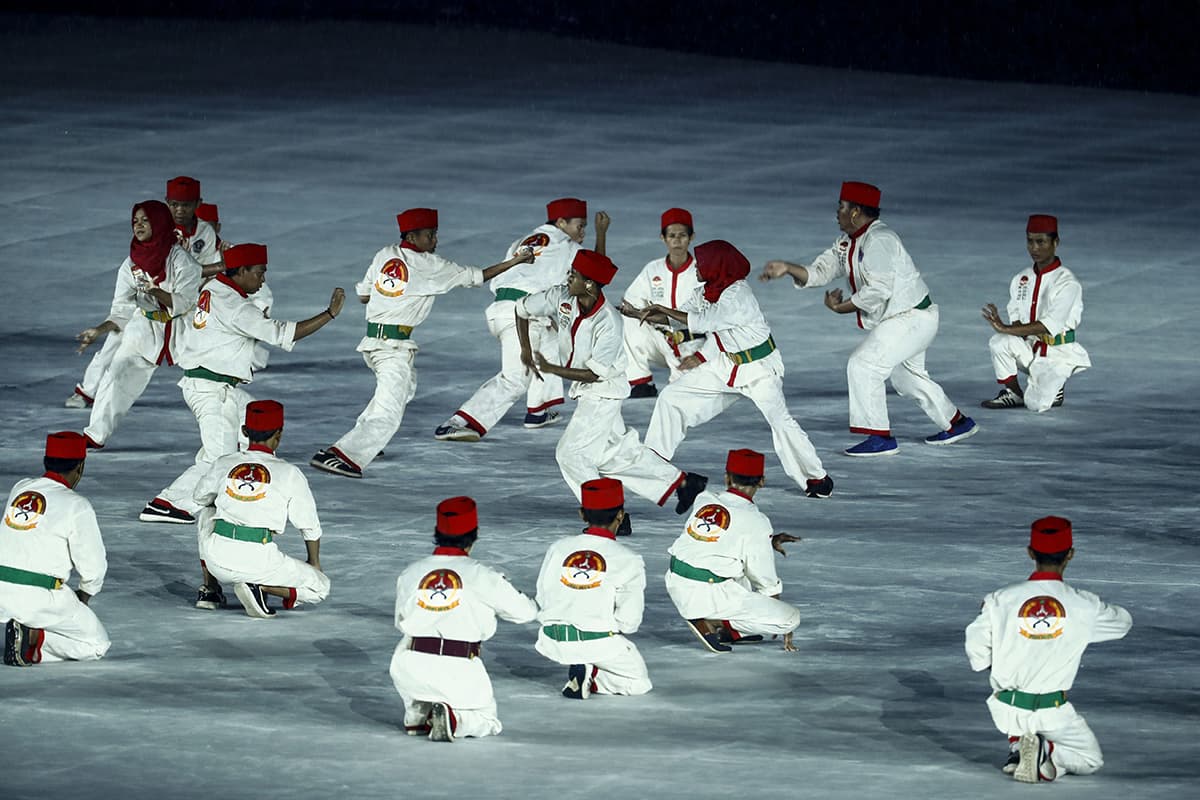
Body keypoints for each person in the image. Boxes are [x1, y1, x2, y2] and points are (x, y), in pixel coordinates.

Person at [309, 208, 534, 478]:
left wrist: (394, 300)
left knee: (402, 391)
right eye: (430, 235)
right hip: (393, 346)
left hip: (373, 341)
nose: (436, 240)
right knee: (389, 412)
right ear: (413, 236)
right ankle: (344, 455)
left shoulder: (385, 254)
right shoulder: (431, 265)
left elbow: (364, 295)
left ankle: (367, 441)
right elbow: (478, 277)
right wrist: (516, 262)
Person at [760, 181, 977, 456]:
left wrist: (842, 308)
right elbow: (822, 270)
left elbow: (879, 290)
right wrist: (788, 268)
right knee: (905, 378)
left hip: (911, 317)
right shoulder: (847, 241)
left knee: (863, 365)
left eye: (841, 206)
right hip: (906, 318)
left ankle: (879, 437)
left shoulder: (880, 240)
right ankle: (957, 422)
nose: (836, 212)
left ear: (855, 211)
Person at [140, 243, 344, 524]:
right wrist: (329, 314)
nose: (263, 279)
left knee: (253, 426)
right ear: (242, 271)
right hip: (211, 390)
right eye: (259, 272)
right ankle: (167, 503)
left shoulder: (213, 288)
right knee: (217, 458)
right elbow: (283, 333)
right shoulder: (234, 305)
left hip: (214, 385)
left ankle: (236, 486)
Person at [518, 249, 708, 527]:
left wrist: (551, 368)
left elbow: (594, 374)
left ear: (590, 284)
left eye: (574, 275)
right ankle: (682, 483)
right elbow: (521, 308)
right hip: (589, 389)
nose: (568, 277)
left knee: (570, 455)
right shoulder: (562, 296)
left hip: (602, 392)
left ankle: (607, 516)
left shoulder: (609, 322)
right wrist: (525, 349)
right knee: (615, 455)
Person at [637, 239, 834, 499]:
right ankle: (653, 465)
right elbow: (678, 316)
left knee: (781, 423)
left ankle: (817, 479)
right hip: (725, 365)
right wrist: (635, 313)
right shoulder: (707, 290)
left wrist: (663, 310)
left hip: (759, 370)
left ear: (717, 266)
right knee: (672, 398)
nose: (697, 266)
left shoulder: (738, 295)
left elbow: (704, 322)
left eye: (703, 262)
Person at [965, 516, 1132, 783]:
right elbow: (1122, 623)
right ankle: (1047, 752)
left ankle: (1019, 746)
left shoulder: (999, 600)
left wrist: (999, 658)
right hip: (1053, 712)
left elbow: (976, 647)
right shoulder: (1083, 605)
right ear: (1071, 554)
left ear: (1031, 553)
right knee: (1090, 760)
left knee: (1012, 685)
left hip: (1008, 709)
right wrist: (1081, 624)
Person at [434, 198, 609, 441]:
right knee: (515, 378)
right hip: (521, 313)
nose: (583, 232)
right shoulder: (566, 245)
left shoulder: (523, 242)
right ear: (561, 223)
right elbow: (597, 272)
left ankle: (539, 410)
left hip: (502, 309)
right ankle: (458, 422)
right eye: (580, 226)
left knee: (553, 341)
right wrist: (601, 234)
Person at [65, 178, 223, 409]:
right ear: (167, 203)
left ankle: (219, 399)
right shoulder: (156, 224)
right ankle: (86, 391)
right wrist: (220, 267)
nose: (179, 211)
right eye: (174, 204)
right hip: (148, 306)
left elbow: (198, 271)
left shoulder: (205, 233)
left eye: (186, 205)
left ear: (197, 203)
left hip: (181, 306)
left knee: (207, 351)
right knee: (114, 343)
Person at [389, 496, 538, 742]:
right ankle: (453, 719)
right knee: (487, 720)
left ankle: (417, 712)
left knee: (412, 651)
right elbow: (526, 613)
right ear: (474, 536)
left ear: (437, 533)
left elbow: (400, 620)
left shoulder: (411, 572)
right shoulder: (483, 575)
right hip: (458, 667)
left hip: (409, 666)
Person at [76, 200, 204, 448]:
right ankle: (94, 435)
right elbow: (121, 309)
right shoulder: (131, 263)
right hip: (144, 328)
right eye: (135, 221)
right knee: (117, 373)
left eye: (145, 220)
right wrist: (99, 330)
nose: (139, 225)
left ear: (159, 223)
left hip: (186, 329)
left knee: (208, 384)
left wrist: (155, 292)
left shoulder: (183, 262)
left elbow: (185, 303)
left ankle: (249, 430)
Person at [193, 400, 331, 616]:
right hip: (260, 561)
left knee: (209, 509)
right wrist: (314, 563)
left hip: (217, 561)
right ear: (279, 434)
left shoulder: (224, 462)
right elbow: (309, 526)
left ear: (245, 431)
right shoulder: (290, 473)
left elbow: (199, 497)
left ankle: (210, 589)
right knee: (320, 587)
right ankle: (259, 587)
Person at [663, 448, 801, 654]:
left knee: (736, 565)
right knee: (790, 618)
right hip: (706, 592)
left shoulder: (705, 498)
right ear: (762, 481)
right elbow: (765, 579)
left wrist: (767, 542)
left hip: (676, 579)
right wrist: (775, 614)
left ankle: (729, 629)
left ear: (727, 477)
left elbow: (721, 539)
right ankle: (710, 620)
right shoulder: (757, 522)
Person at [534, 478, 652, 699]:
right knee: (638, 682)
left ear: (582, 513)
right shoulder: (629, 559)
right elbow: (629, 622)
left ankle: (583, 668)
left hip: (551, 639)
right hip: (596, 643)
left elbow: (542, 595)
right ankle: (593, 673)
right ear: (621, 515)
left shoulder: (558, 548)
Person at [2, 432, 109, 666]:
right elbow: (93, 567)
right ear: (80, 467)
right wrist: (84, 594)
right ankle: (32, 638)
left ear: (46, 460)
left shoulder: (20, 488)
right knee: (96, 645)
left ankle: (22, 630)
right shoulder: (77, 505)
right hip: (39, 597)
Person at [981, 214, 1090, 411]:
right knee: (999, 341)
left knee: (1035, 405)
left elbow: (1049, 326)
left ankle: (1056, 383)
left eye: (1041, 242)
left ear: (1055, 242)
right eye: (1030, 241)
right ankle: (1013, 393)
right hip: (1032, 348)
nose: (1034, 248)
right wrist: (1005, 329)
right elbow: (1017, 324)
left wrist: (1003, 327)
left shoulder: (1067, 283)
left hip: (1058, 353)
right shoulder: (1021, 278)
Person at [619, 208, 705, 399]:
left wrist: (702, 355)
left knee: (682, 393)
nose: (677, 240)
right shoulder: (653, 269)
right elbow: (630, 301)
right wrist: (638, 313)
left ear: (692, 237)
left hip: (694, 343)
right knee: (628, 319)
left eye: (682, 235)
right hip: (661, 340)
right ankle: (641, 382)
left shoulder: (701, 270)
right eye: (671, 235)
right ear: (663, 238)